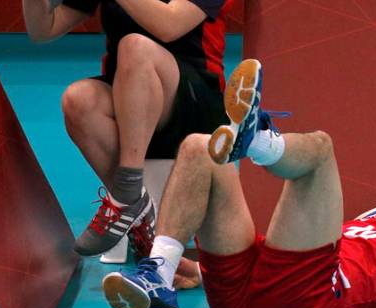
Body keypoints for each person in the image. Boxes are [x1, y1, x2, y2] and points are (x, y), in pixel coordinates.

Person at [100, 58, 376, 308]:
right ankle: (159, 271)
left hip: (308, 302)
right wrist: (203, 273)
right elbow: (304, 242)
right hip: (240, 299)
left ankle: (257, 142)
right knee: (196, 146)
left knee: (320, 150)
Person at [22, 0, 234, 256]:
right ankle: (138, 211)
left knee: (136, 47)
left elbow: (170, 25)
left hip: (195, 107)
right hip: (130, 108)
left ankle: (126, 188)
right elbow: (43, 30)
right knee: (78, 100)